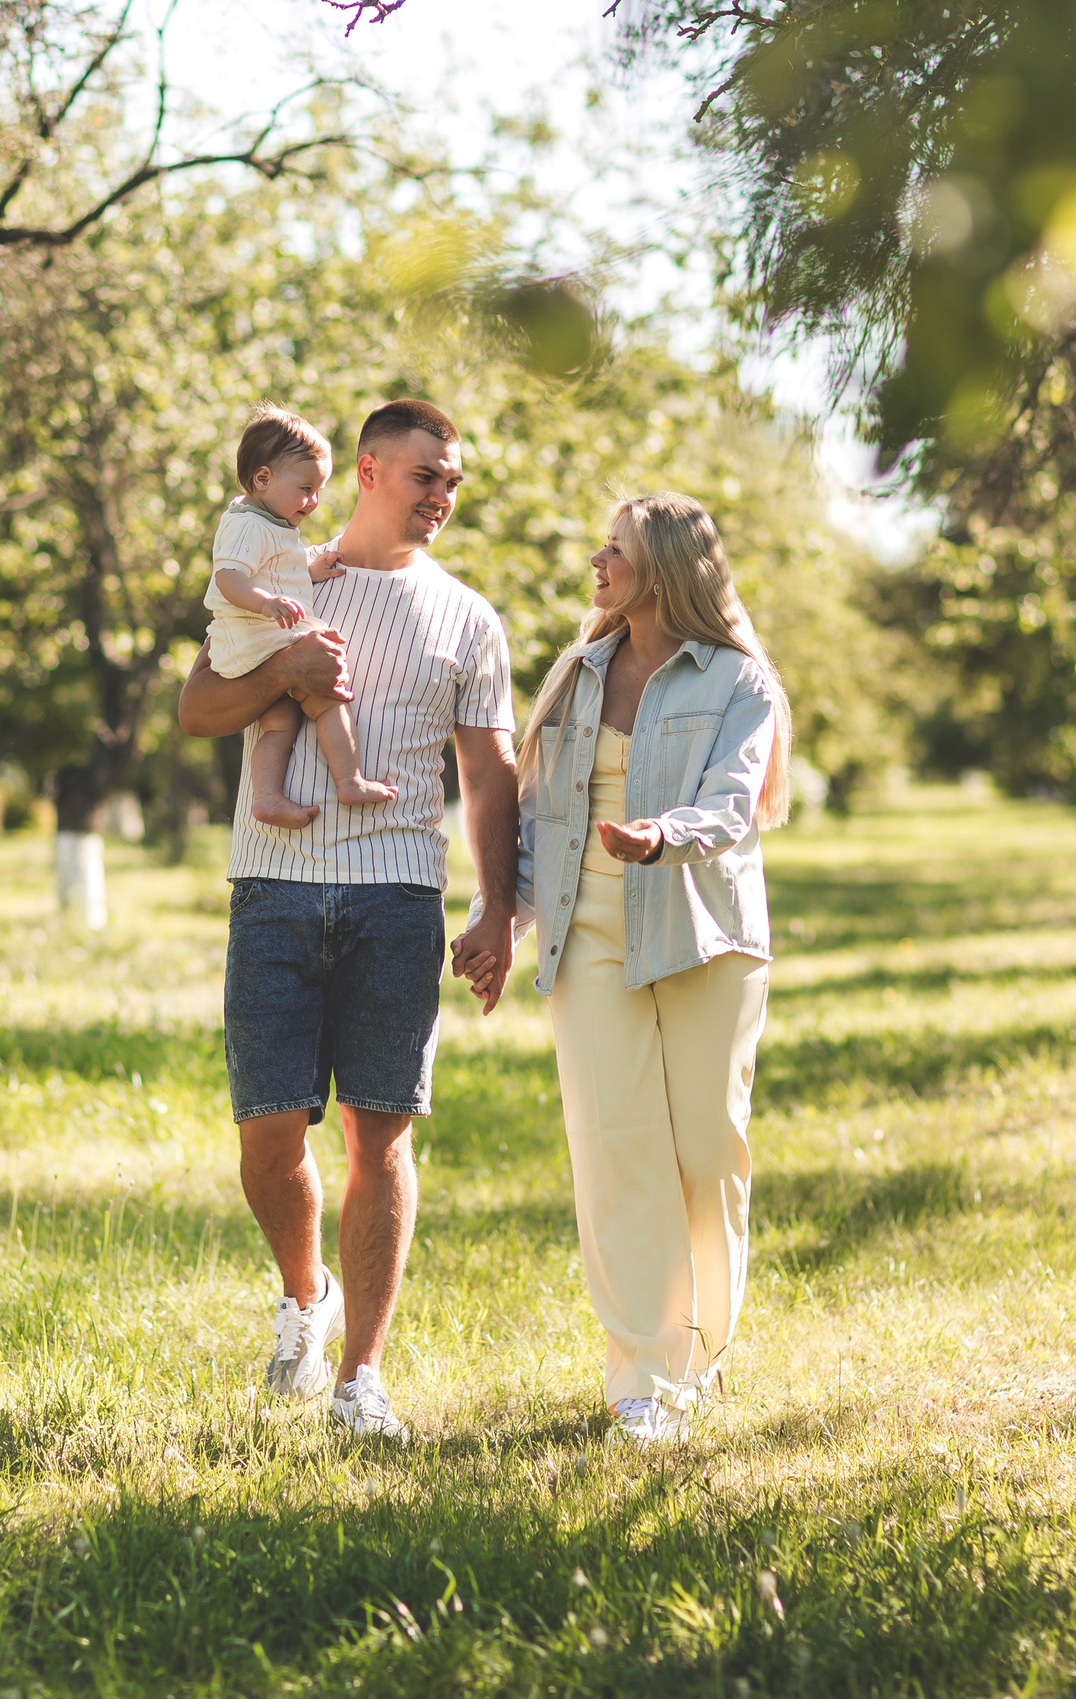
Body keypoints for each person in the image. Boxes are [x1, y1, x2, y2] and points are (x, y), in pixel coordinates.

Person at [178, 398, 519, 1442]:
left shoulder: (468, 617)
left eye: (453, 481)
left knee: (383, 1131)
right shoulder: (283, 572)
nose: (443, 496)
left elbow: (489, 774)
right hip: (272, 885)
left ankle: (360, 1376)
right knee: (268, 1130)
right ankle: (304, 1289)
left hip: (395, 895)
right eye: (427, 476)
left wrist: (501, 904)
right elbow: (198, 710)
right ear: (367, 469)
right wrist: (281, 670)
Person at [475, 492, 791, 1447]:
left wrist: (664, 835)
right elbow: (540, 818)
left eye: (613, 549)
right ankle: (645, 1377)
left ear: (663, 568)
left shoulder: (740, 681)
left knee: (708, 1150)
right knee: (618, 1149)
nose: (596, 563)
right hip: (592, 935)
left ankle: (702, 1352)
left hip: (704, 929)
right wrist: (506, 919)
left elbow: (734, 802)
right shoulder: (577, 673)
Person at [202, 405, 398, 829]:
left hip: (255, 643)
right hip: (259, 638)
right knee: (327, 695)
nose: (314, 501)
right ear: (263, 478)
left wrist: (308, 572)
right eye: (306, 488)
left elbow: (274, 573)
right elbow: (228, 578)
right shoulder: (245, 526)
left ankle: (268, 798)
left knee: (279, 723)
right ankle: (350, 780)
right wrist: (265, 603)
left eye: (319, 490)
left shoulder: (270, 523)